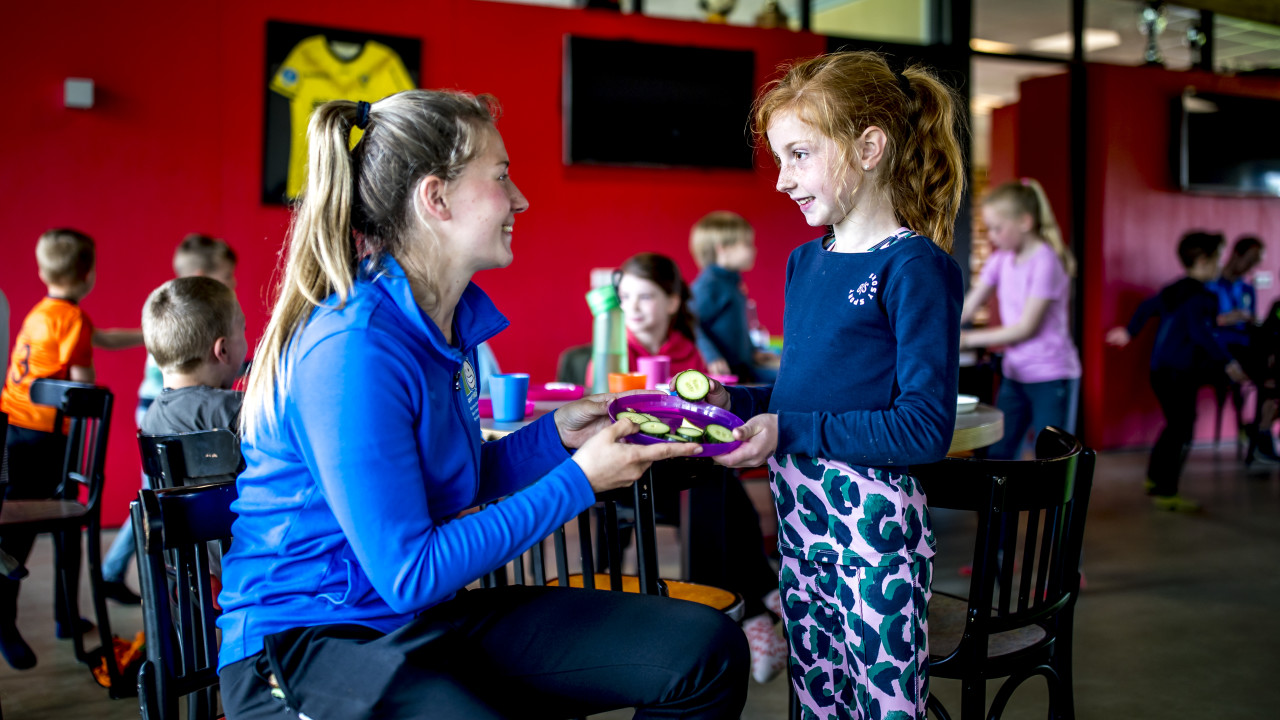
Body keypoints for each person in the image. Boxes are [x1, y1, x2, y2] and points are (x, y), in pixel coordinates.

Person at [216, 90, 748, 720]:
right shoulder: (353, 348)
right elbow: (410, 570)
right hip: (307, 648)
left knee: (704, 650)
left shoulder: (447, 324)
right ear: (435, 198)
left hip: (418, 620)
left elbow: (446, 485)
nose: (519, 198)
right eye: (500, 176)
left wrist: (556, 436)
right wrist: (580, 481)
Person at [704, 51, 965, 718]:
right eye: (780, 159)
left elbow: (922, 429)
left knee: (884, 705)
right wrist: (737, 403)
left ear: (870, 147)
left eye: (799, 154)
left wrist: (785, 428)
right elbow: (808, 397)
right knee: (817, 698)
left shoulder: (914, 267)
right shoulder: (803, 262)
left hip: (873, 532)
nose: (783, 180)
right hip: (802, 525)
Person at [614, 252, 788, 683]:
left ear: (673, 302)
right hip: (622, 484)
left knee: (714, 483)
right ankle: (755, 601)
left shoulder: (702, 361)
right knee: (721, 488)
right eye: (624, 297)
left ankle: (726, 617)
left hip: (685, 486)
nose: (632, 308)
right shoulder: (604, 353)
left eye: (645, 296)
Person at [0, 228, 144, 670]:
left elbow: (99, 337)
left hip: (12, 430)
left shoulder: (43, 313)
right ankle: (5, 617)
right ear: (89, 274)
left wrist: (143, 336)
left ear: (43, 270)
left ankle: (66, 616)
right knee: (22, 534)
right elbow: (83, 387)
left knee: (44, 527)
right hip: (43, 439)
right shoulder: (74, 322)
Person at [100, 234, 241, 605]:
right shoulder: (233, 408)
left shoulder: (151, 420)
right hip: (239, 563)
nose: (234, 281)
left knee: (164, 495)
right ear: (223, 349)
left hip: (187, 565)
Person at [1106, 231, 1247, 512]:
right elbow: (1200, 332)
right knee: (1182, 430)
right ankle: (1167, 491)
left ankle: (1154, 479)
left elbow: (1150, 307)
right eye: (1218, 259)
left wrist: (1130, 331)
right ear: (1204, 260)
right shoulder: (1202, 296)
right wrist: (1227, 361)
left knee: (1174, 426)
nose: (1220, 266)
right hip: (1180, 372)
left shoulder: (1176, 289)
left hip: (1159, 371)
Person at [958, 178, 1081, 459]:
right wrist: (946, 327)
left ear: (1025, 222)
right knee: (999, 452)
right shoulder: (1001, 259)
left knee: (1052, 459)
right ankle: (1001, 506)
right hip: (1015, 373)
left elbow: (1026, 328)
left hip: (1052, 376)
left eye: (997, 228)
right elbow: (969, 304)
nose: (991, 235)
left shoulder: (1046, 261)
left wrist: (966, 339)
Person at [1205, 235, 1273, 464]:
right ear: (1236, 254)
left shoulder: (1246, 289)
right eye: (1251, 259)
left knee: (1273, 369)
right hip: (1221, 351)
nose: (1254, 266)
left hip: (1248, 347)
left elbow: (1252, 325)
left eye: (1258, 262)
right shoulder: (1209, 284)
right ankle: (1258, 435)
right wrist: (1225, 319)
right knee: (1268, 375)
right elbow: (1200, 324)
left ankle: (1259, 430)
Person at [689, 211, 778, 382]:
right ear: (723, 249)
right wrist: (711, 356)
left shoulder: (730, 282)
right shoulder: (710, 284)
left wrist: (753, 351)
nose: (754, 250)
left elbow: (737, 329)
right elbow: (689, 323)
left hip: (744, 367)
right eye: (747, 244)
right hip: (728, 373)